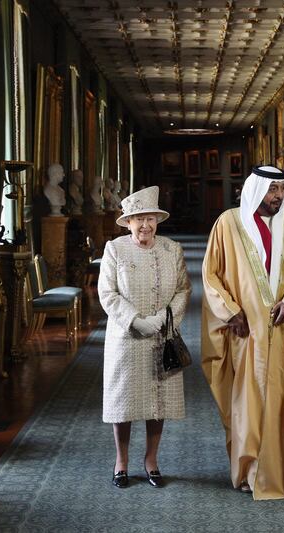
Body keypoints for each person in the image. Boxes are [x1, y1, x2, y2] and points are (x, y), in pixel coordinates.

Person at [202, 165, 284, 500]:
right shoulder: (228, 223)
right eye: (271, 190)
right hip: (246, 332)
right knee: (249, 403)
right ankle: (250, 471)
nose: (277, 196)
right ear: (255, 189)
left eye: (281, 190)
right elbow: (211, 276)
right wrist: (230, 312)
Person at [98, 185, 191, 489]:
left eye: (150, 219)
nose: (145, 225)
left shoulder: (171, 249)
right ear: (128, 222)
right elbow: (107, 293)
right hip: (126, 338)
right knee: (123, 402)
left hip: (162, 337)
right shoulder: (115, 249)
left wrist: (163, 320)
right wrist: (136, 321)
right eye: (138, 219)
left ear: (157, 221)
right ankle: (120, 461)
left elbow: (183, 289)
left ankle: (151, 460)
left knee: (157, 401)